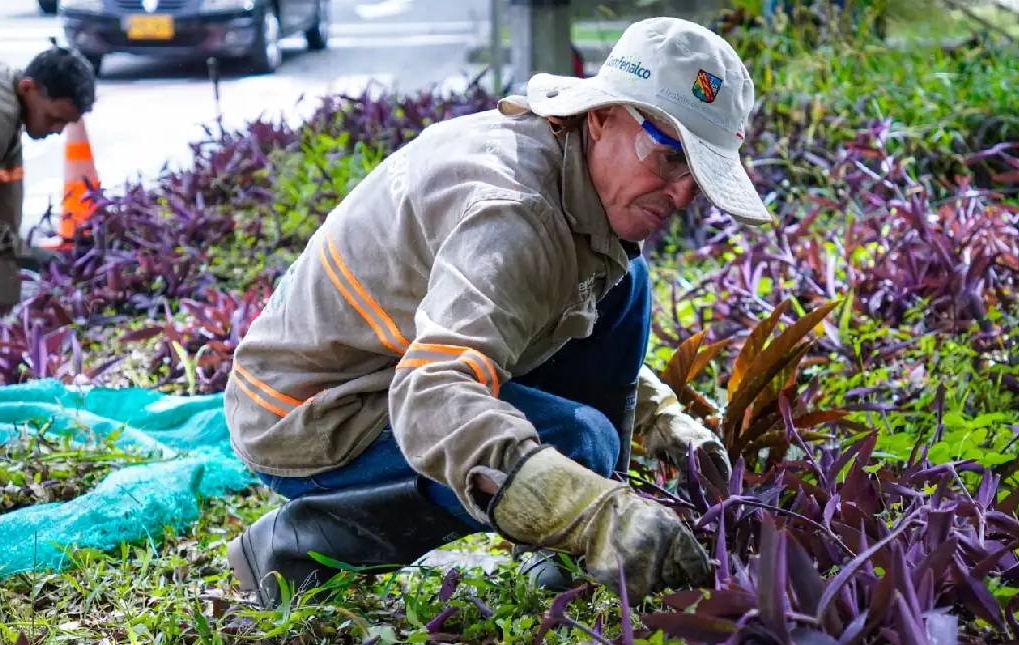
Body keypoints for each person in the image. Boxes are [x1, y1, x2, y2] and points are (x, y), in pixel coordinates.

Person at [223, 16, 773, 609]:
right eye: (668, 156)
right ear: (600, 117)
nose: (683, 194)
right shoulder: (514, 215)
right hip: (311, 413)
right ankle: (298, 545)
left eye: (698, 173)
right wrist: (584, 507)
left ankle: (566, 533)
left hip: (396, 362)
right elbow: (431, 394)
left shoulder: (572, 174)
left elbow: (527, 309)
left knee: (624, 283)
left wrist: (661, 418)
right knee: (580, 445)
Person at [0, 43, 97, 317]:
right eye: (54, 118)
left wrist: (6, 292)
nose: (57, 131)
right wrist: (22, 253)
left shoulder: (12, 107)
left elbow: (2, 202)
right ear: (29, 88)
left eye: (66, 124)